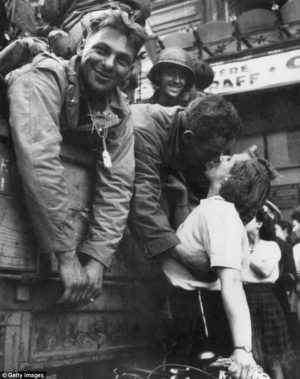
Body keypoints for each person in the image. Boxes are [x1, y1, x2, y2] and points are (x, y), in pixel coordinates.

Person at [7, 10, 146, 305]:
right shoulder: (44, 75)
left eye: (122, 60)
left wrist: (97, 258)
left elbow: (119, 185)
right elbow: (40, 159)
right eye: (102, 50)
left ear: (131, 68)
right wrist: (67, 258)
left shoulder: (119, 112)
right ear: (82, 46)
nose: (109, 65)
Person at [128, 93, 243, 362]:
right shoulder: (144, 130)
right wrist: (186, 255)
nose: (214, 160)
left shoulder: (187, 129)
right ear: (189, 138)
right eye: (211, 153)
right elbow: (141, 204)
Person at [161, 151, 276, 379]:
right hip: (196, 308)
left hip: (199, 309)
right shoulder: (214, 210)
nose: (222, 157)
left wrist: (243, 350)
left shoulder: (219, 212)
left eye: (229, 160)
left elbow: (231, 281)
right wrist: (183, 199)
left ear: (232, 179)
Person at [244, 209, 294, 379]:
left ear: (259, 223)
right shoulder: (239, 247)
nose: (243, 220)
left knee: (273, 358)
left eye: (248, 218)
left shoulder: (270, 246)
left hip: (266, 299)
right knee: (253, 356)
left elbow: (265, 271)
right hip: (245, 299)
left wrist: (245, 255)